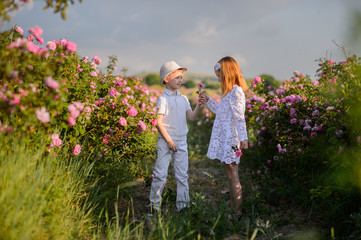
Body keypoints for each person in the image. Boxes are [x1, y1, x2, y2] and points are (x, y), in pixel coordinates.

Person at [149, 61, 205, 213]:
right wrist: (169, 141)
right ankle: (154, 206)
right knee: (160, 174)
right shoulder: (163, 99)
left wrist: (199, 106)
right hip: (166, 141)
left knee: (182, 175)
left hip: (181, 141)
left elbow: (192, 117)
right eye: (177, 77)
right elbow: (158, 123)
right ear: (166, 79)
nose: (180, 80)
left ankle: (183, 206)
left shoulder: (184, 99)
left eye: (181, 78)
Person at [200, 56, 248, 218]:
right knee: (229, 174)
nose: (219, 79)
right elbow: (222, 112)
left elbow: (240, 117)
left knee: (233, 174)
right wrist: (208, 101)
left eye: (219, 76)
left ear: (227, 73)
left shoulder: (236, 92)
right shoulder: (229, 93)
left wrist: (244, 138)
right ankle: (233, 209)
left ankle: (237, 212)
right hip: (226, 138)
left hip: (232, 140)